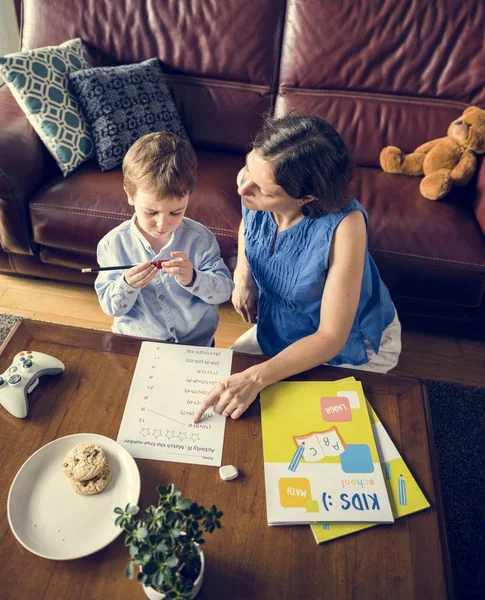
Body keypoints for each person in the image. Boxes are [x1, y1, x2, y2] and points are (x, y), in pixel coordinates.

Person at [194, 114, 401, 422]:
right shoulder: (254, 178)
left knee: (303, 425)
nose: (242, 189)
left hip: (349, 345)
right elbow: (248, 224)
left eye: (263, 190)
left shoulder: (347, 227)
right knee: (220, 388)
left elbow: (331, 336)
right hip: (280, 328)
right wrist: (243, 276)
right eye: (248, 170)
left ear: (306, 197)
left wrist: (255, 378)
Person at [95, 131, 234, 346]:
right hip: (137, 343)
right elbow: (111, 307)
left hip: (196, 344)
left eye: (176, 212)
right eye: (151, 213)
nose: (163, 224)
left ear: (188, 195)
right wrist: (127, 285)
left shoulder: (200, 239)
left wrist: (193, 278)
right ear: (130, 195)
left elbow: (224, 291)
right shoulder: (112, 245)